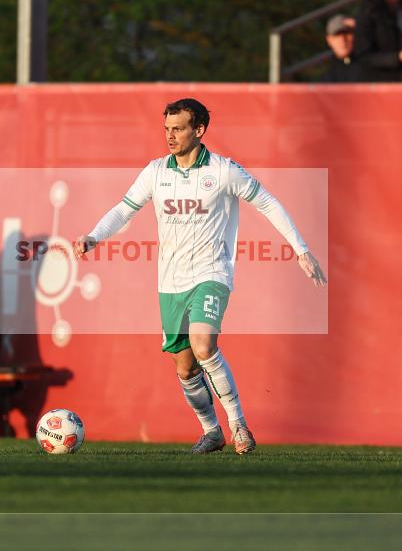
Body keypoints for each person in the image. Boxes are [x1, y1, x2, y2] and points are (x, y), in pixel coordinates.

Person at [73, 98, 327, 455]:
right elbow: (124, 209)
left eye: (178, 129)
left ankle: (238, 425)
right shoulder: (156, 172)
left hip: (212, 273)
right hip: (170, 282)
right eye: (166, 129)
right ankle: (212, 431)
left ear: (199, 130)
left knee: (204, 344)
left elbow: (268, 201)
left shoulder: (224, 171)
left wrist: (301, 249)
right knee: (186, 366)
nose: (170, 137)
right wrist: (93, 236)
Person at [319, 14, 364, 83]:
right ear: (329, 40)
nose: (342, 40)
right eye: (337, 35)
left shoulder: (369, 65)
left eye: (346, 34)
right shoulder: (327, 78)